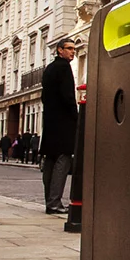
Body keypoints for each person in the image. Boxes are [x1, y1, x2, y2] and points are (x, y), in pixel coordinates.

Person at [40, 39, 78, 215]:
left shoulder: (49, 68)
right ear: (59, 50)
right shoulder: (64, 68)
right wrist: (76, 117)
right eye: (69, 48)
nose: (73, 51)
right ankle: (55, 203)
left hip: (50, 122)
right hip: (63, 122)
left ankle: (49, 201)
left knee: (50, 161)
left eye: (74, 49)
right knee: (63, 160)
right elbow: (68, 96)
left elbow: (44, 96)